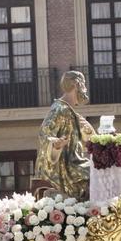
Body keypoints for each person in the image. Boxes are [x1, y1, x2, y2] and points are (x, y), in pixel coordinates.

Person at [35, 70, 94, 199]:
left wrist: (87, 129)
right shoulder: (60, 108)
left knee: (96, 169)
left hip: (73, 161)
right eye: (83, 84)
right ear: (76, 84)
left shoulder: (69, 111)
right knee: (94, 173)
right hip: (64, 167)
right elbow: (44, 133)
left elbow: (86, 142)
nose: (85, 88)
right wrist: (56, 143)